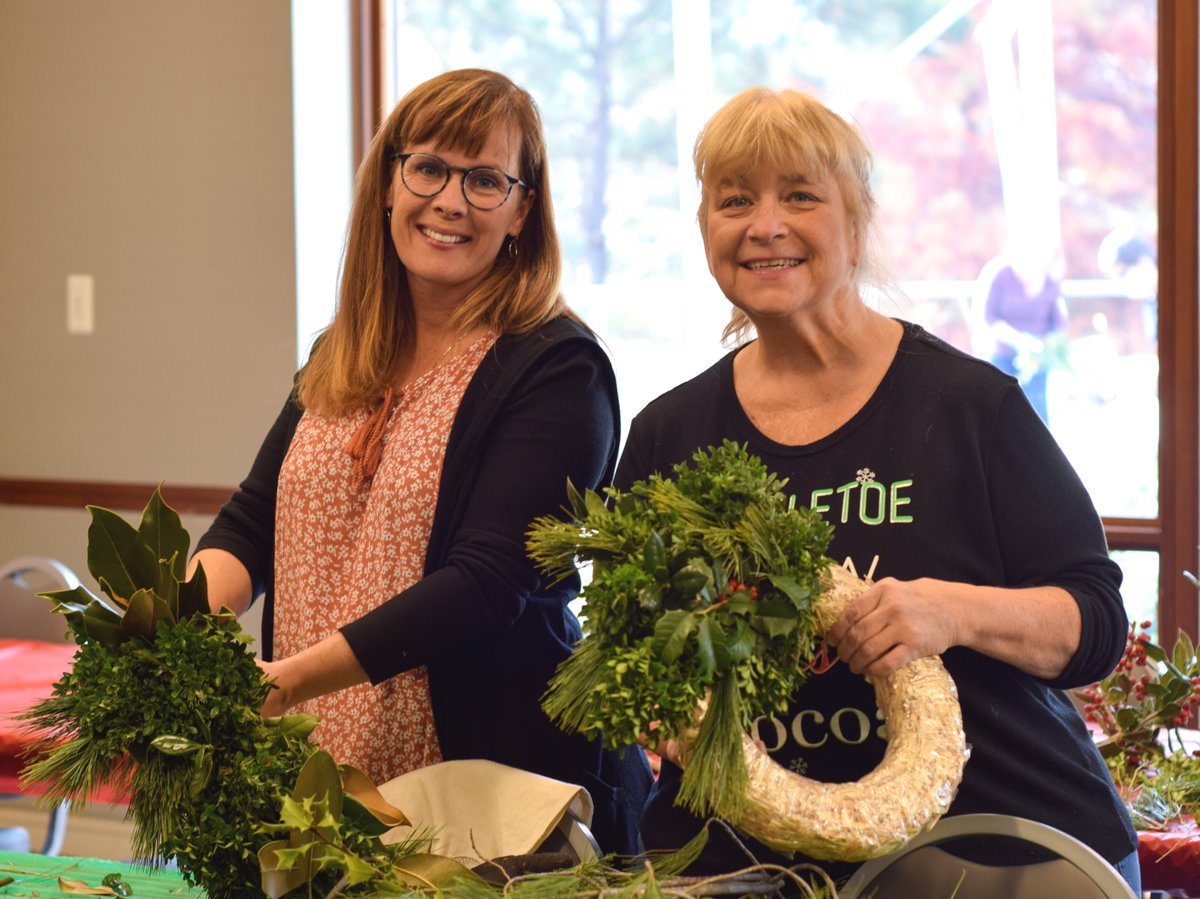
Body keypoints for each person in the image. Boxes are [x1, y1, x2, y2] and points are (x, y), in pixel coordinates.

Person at [615, 87, 1138, 891]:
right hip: (738, 865)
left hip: (994, 850)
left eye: (799, 195)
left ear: (856, 224)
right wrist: (665, 708)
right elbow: (629, 651)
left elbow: (1097, 622)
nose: (765, 224)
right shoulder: (666, 436)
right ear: (706, 230)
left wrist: (952, 611)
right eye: (735, 199)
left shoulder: (970, 407)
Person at [190, 68, 651, 856]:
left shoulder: (556, 369)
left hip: (486, 801)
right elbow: (252, 520)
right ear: (388, 186)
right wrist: (171, 630)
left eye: (484, 180)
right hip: (320, 778)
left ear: (521, 211)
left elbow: (488, 582)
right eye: (429, 168)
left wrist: (291, 678)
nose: (449, 201)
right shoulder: (342, 352)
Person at [973, 237, 1068, 424]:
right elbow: (986, 317)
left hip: (1037, 356)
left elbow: (1060, 323)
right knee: (1001, 408)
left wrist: (1045, 343)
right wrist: (1017, 340)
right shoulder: (998, 274)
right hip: (1000, 352)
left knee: (1037, 409)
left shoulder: (1050, 281)